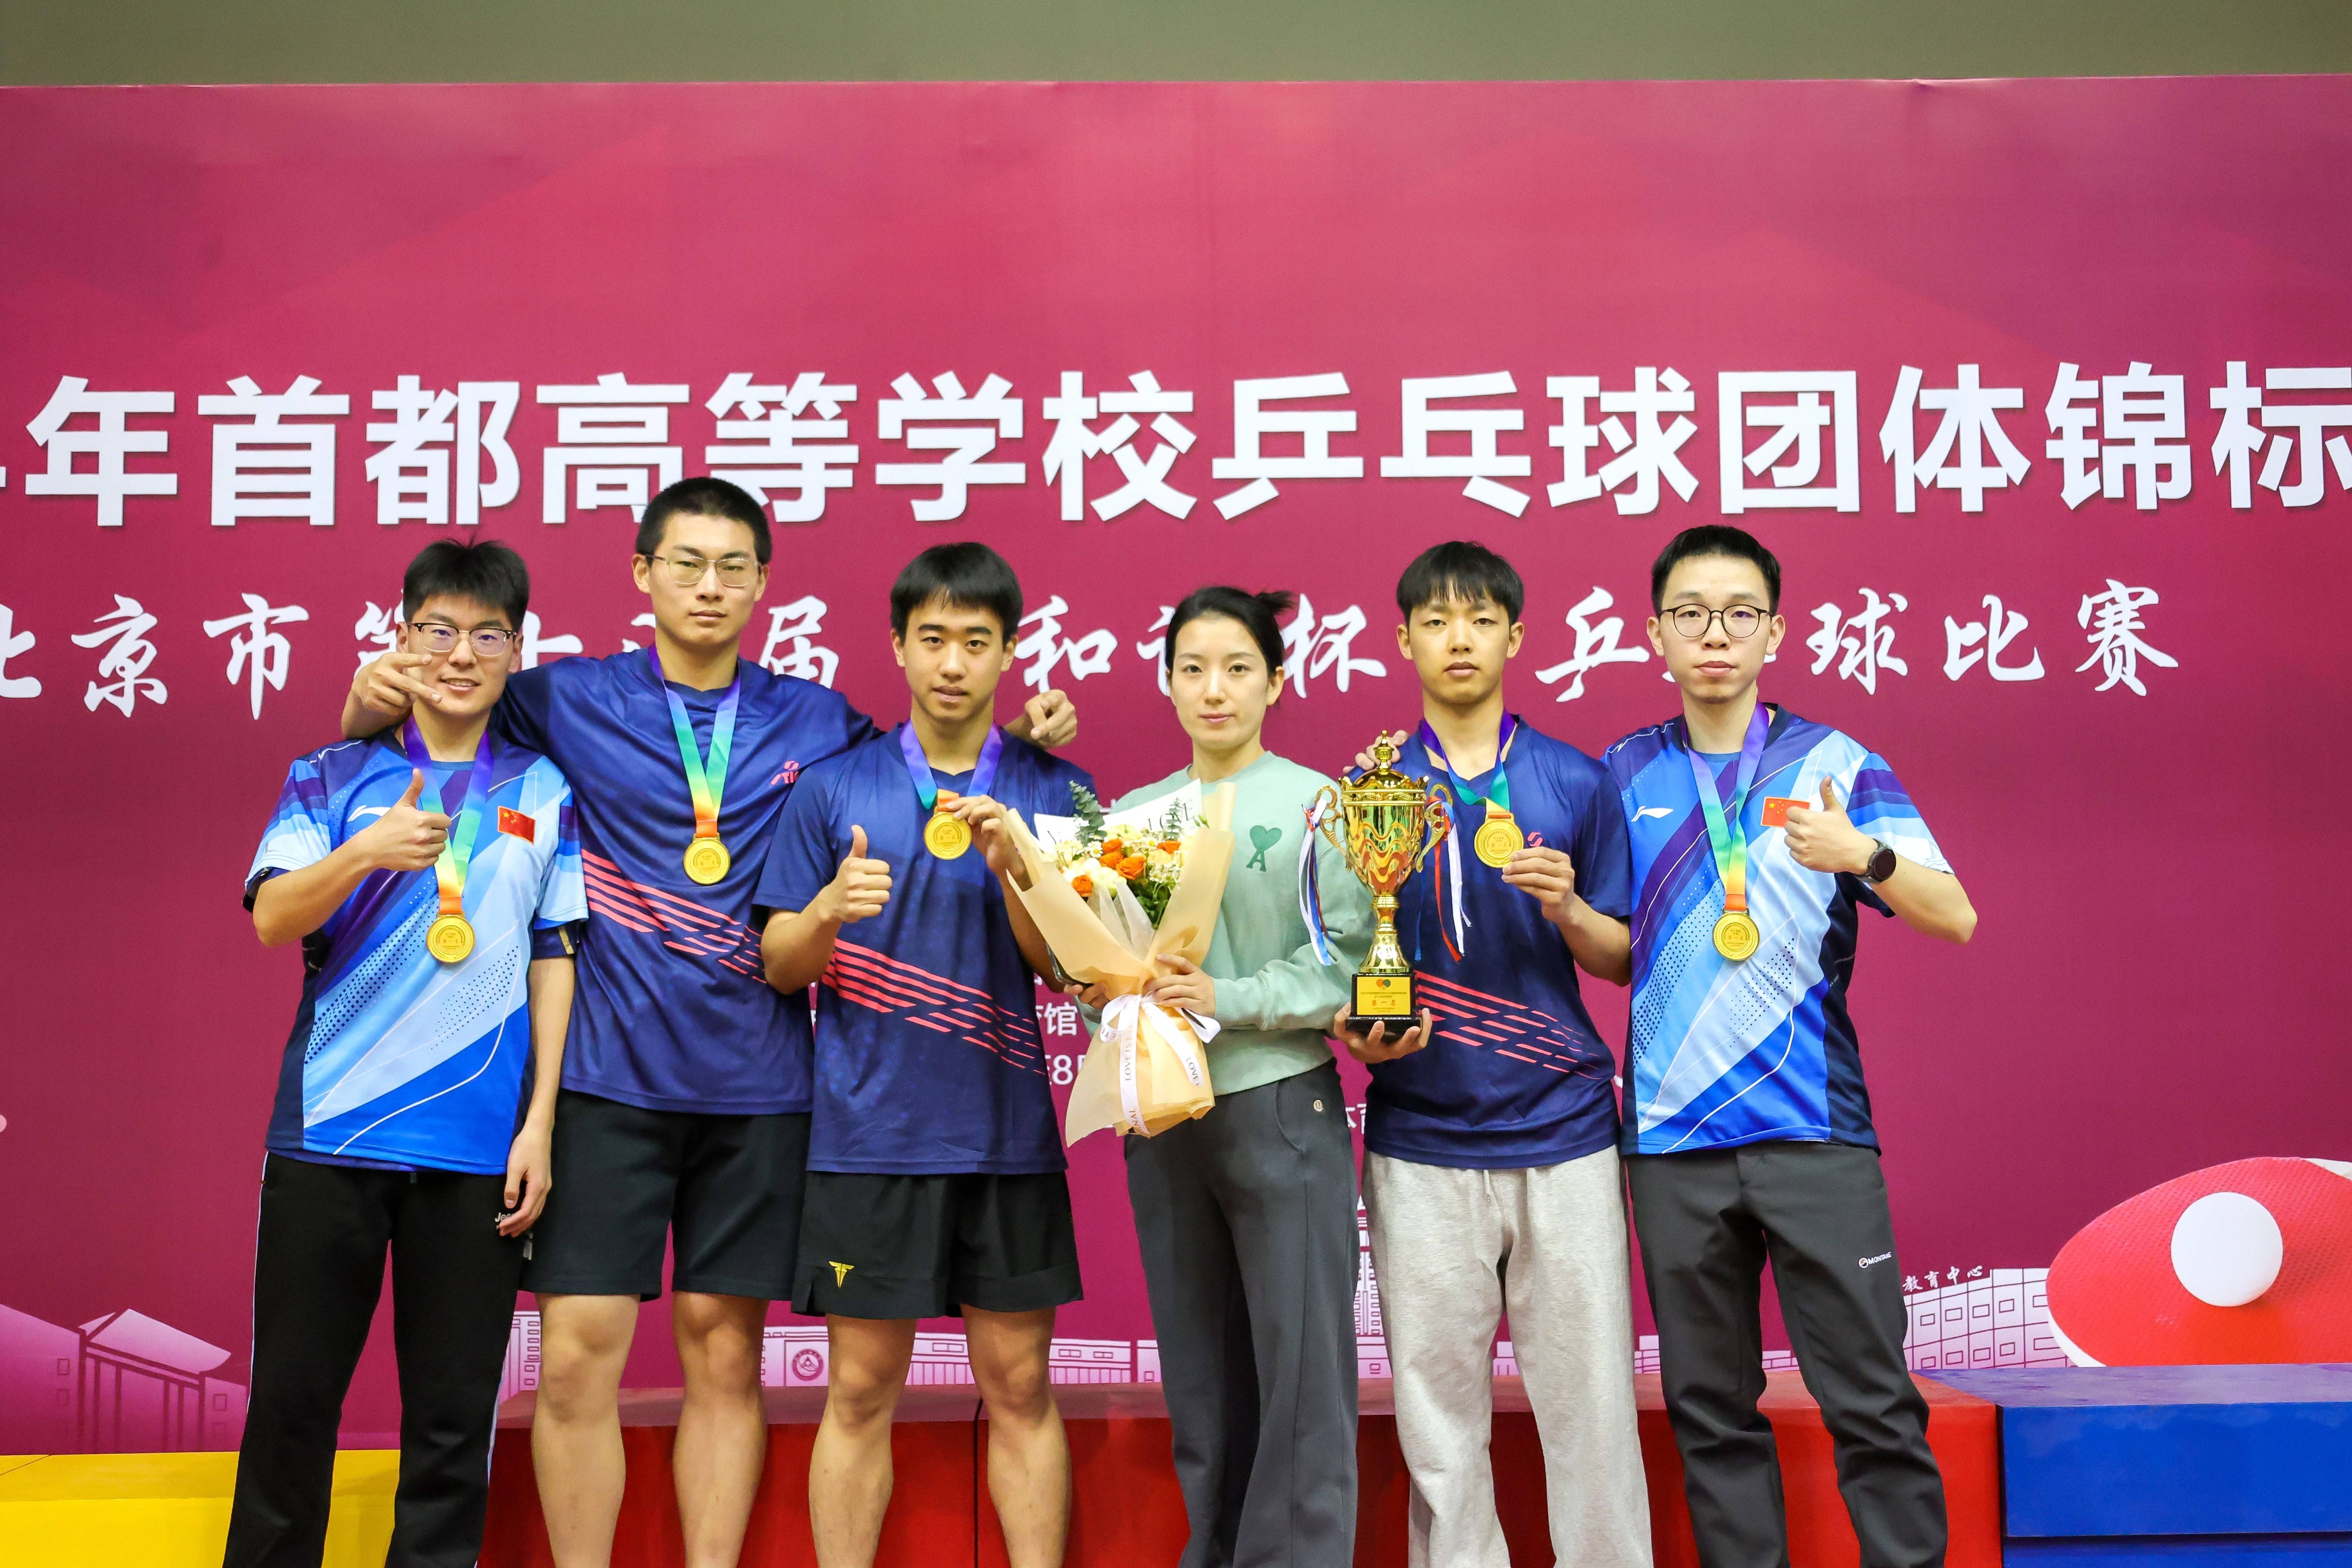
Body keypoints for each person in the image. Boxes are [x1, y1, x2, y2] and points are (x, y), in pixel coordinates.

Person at [340, 478, 1078, 1568]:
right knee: (578, 1356)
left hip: (762, 1089)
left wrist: (1018, 739)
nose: (708, 586)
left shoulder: (815, 720)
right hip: (604, 1080)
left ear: (763, 583)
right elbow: (445, 709)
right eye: (685, 563)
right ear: (642, 572)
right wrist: (364, 710)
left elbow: (929, 763)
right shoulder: (562, 698)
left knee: (724, 1355)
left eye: (733, 567)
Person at [1605, 525, 1978, 1568]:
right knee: (1710, 1408)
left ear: (1774, 631)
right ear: (1656, 634)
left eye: (1739, 614)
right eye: (1690, 614)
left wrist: (1865, 853)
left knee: (1871, 1400)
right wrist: (1554, 902)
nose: (1714, 634)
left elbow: (1954, 916)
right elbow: (1616, 951)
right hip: (1672, 1142)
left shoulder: (1837, 764)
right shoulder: (1624, 771)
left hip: (1814, 1131)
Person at [227, 539, 584, 1568]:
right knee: (292, 1406)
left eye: (487, 635)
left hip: (476, 1151)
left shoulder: (544, 789)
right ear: (402, 637)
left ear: (517, 650)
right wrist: (363, 851)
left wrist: (540, 1124)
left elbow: (554, 954)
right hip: (330, 1139)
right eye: (439, 630)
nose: (461, 655)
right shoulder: (331, 774)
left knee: (450, 1424)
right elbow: (272, 919)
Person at [758, 542, 1090, 1568]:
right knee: (860, 1391)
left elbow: (1073, 973)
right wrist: (825, 911)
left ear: (1010, 653)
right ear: (898, 645)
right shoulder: (832, 787)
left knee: (1022, 1387)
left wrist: (1020, 872)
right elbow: (780, 965)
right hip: (868, 1142)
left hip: (1006, 1139)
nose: (953, 663)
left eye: (976, 642)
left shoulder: (1058, 791)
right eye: (933, 638)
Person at [1332, 541, 1651, 1568]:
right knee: (1438, 1426)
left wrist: (1567, 907)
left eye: (1479, 619)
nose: (1458, 638)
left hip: (1565, 1133)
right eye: (1436, 621)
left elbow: (1619, 959)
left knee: (1593, 1409)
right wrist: (1354, 1025)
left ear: (1516, 635)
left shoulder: (1575, 779)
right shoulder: (1371, 789)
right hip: (1421, 1139)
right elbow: (1337, 958)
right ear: (1404, 640)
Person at [1078, 586, 1372, 1568]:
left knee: (1303, 1378)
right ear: (1166, 682)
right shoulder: (1133, 818)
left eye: (1239, 669)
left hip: (1280, 1103)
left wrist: (1227, 996)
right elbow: (1107, 975)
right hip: (1165, 1122)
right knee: (1201, 1380)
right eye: (1194, 669)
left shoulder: (1320, 805)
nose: (1215, 689)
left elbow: (1348, 963)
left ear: (1276, 682)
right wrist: (1101, 989)